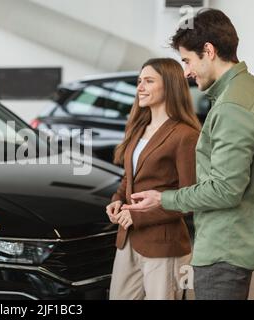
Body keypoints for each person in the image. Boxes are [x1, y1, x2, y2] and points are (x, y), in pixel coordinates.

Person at [122, 9, 254, 300]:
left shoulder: (230, 106)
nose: (186, 72)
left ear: (208, 51)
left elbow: (225, 190)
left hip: (224, 248)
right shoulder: (249, 91)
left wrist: (163, 198)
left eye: (187, 60)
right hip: (237, 242)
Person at [106, 58, 200, 300]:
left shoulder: (185, 135)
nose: (140, 87)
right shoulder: (137, 127)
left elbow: (189, 198)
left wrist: (138, 215)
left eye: (148, 81)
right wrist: (117, 199)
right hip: (127, 240)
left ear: (169, 86)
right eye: (139, 81)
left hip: (164, 246)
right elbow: (130, 177)